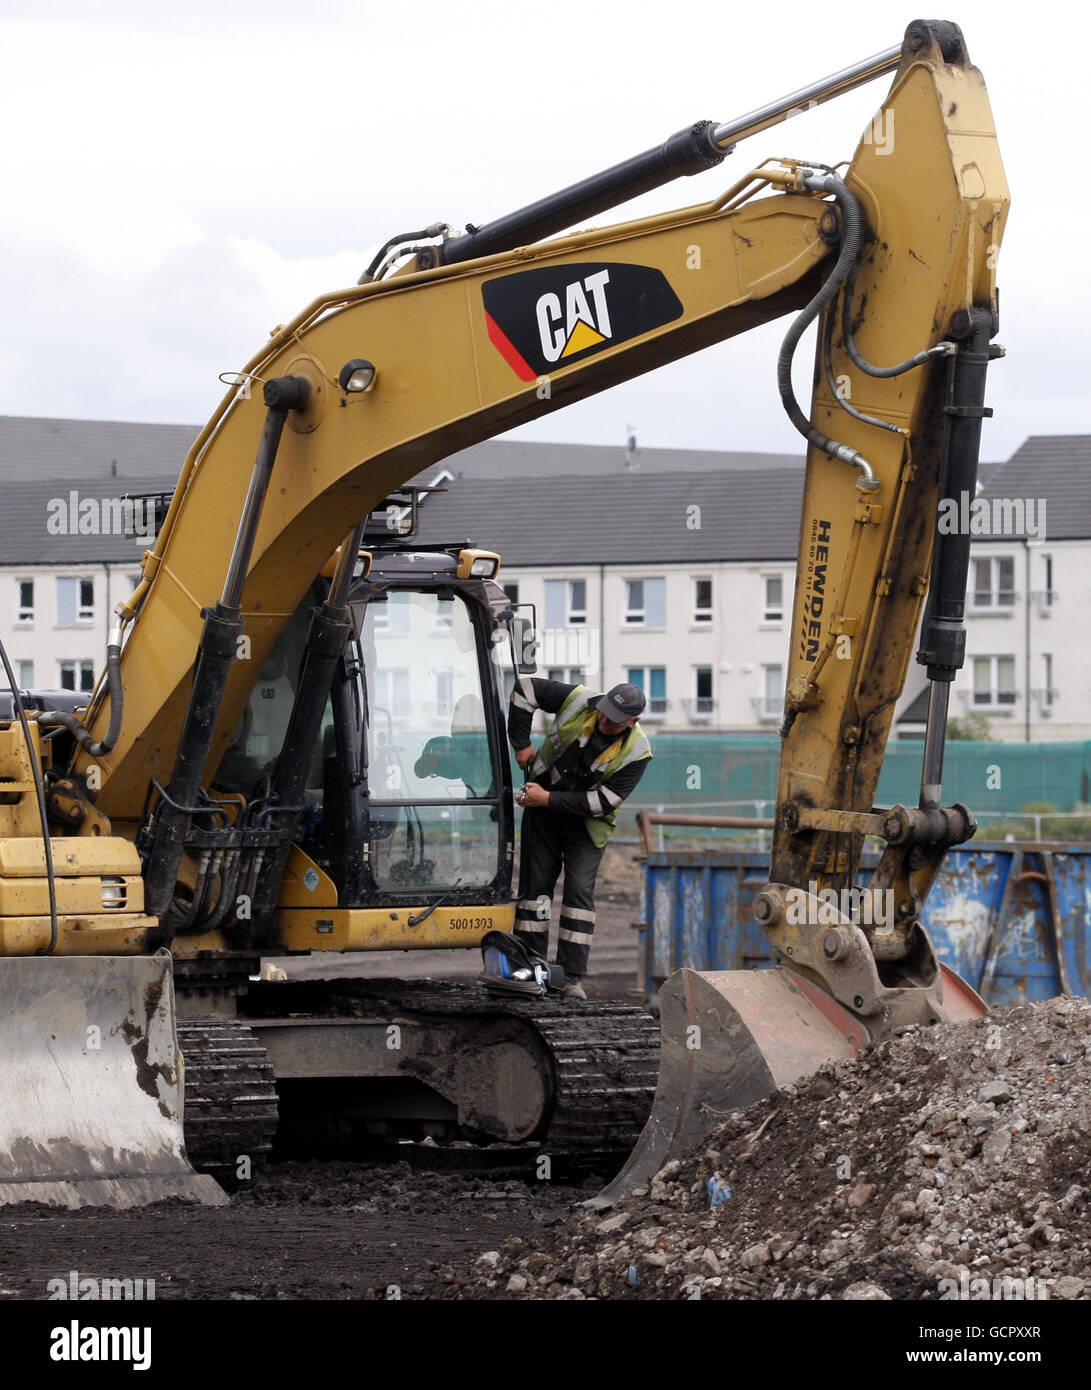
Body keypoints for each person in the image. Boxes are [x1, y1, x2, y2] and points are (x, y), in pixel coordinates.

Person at [508, 678, 652, 1000]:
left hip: (586, 825)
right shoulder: (580, 700)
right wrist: (521, 743)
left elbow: (603, 803)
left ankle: (571, 977)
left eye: (614, 720)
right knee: (536, 890)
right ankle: (532, 967)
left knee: (578, 895)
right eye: (604, 713)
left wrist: (547, 799)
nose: (605, 720)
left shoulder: (638, 753)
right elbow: (525, 689)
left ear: (633, 722)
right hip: (543, 814)